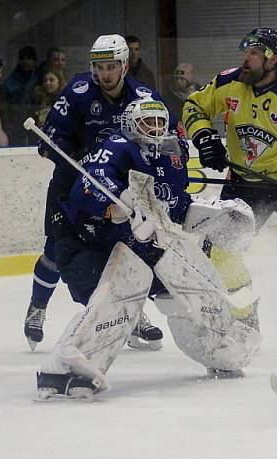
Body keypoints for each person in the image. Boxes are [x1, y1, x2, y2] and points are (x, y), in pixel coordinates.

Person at [36, 96, 257, 400]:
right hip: (92, 246)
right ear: (130, 124)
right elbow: (87, 191)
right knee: (122, 292)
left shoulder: (172, 153)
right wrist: (114, 206)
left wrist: (213, 214)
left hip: (147, 245)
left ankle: (220, 349)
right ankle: (67, 366)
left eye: (159, 122)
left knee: (192, 279)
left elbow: (175, 207)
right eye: (146, 122)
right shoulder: (117, 146)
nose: (154, 129)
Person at [23, 34, 182, 352]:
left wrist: (175, 155)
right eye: (99, 67)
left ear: (124, 65)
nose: (105, 73)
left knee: (124, 248)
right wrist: (73, 155)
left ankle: (132, 315)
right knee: (57, 250)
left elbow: (168, 134)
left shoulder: (144, 95)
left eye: (111, 66)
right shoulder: (80, 91)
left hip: (121, 189)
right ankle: (37, 308)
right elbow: (53, 137)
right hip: (73, 184)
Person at [182, 27, 277, 330]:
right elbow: (194, 105)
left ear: (273, 59)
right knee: (220, 254)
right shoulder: (230, 82)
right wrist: (203, 136)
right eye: (246, 52)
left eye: (253, 53)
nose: (245, 59)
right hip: (243, 185)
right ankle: (243, 317)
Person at [3, 45, 39, 143]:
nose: (26, 62)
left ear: (34, 61)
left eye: (29, 58)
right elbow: (5, 107)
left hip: (37, 124)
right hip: (16, 124)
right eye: (23, 59)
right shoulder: (10, 82)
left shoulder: (40, 79)